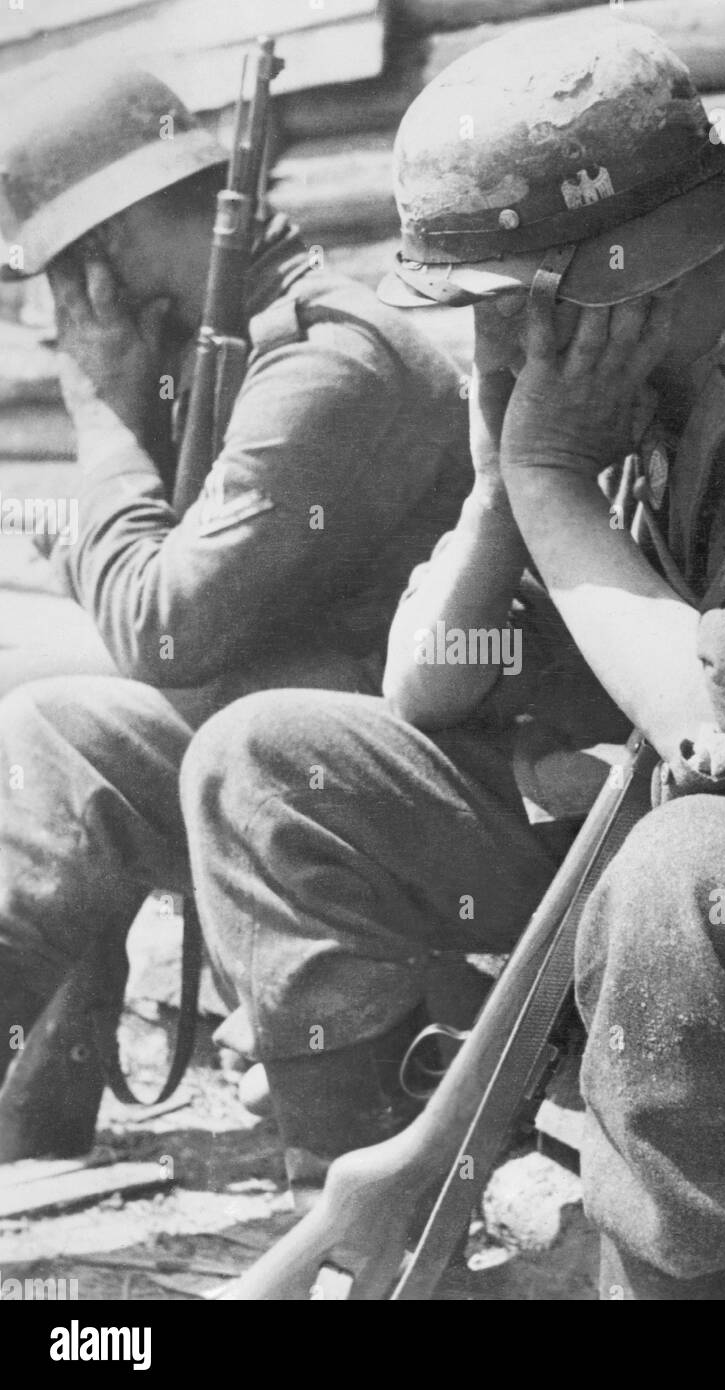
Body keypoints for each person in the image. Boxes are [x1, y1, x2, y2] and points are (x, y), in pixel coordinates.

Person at [180, 13, 725, 1294]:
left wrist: (547, 477)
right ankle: (385, 1216)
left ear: (626, 285)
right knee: (269, 760)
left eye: (497, 312)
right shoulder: (618, 396)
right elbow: (429, 683)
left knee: (692, 877)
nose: (484, 350)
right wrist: (501, 486)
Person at [0, 55, 471, 1159]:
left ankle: (339, 1163)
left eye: (60, 279)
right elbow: (141, 581)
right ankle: (33, 1106)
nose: (55, 318)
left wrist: (97, 418)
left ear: (98, 263)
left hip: (408, 762)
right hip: (310, 726)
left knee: (59, 741)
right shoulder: (221, 359)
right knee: (33, 685)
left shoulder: (324, 363)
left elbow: (165, 623)